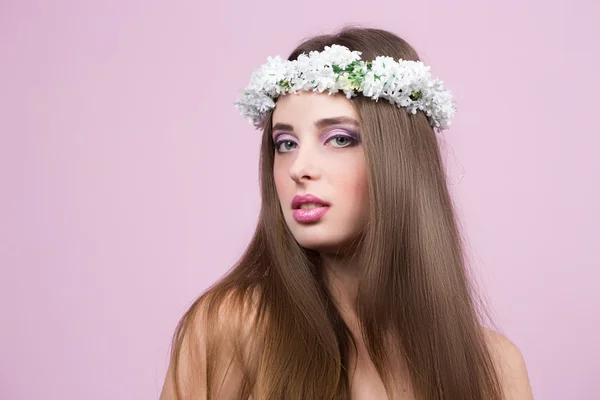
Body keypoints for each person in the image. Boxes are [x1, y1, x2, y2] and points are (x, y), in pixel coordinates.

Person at [159, 26, 534, 399]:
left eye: (339, 139)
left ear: (399, 159)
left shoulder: (495, 367)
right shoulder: (233, 327)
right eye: (285, 143)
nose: (298, 168)